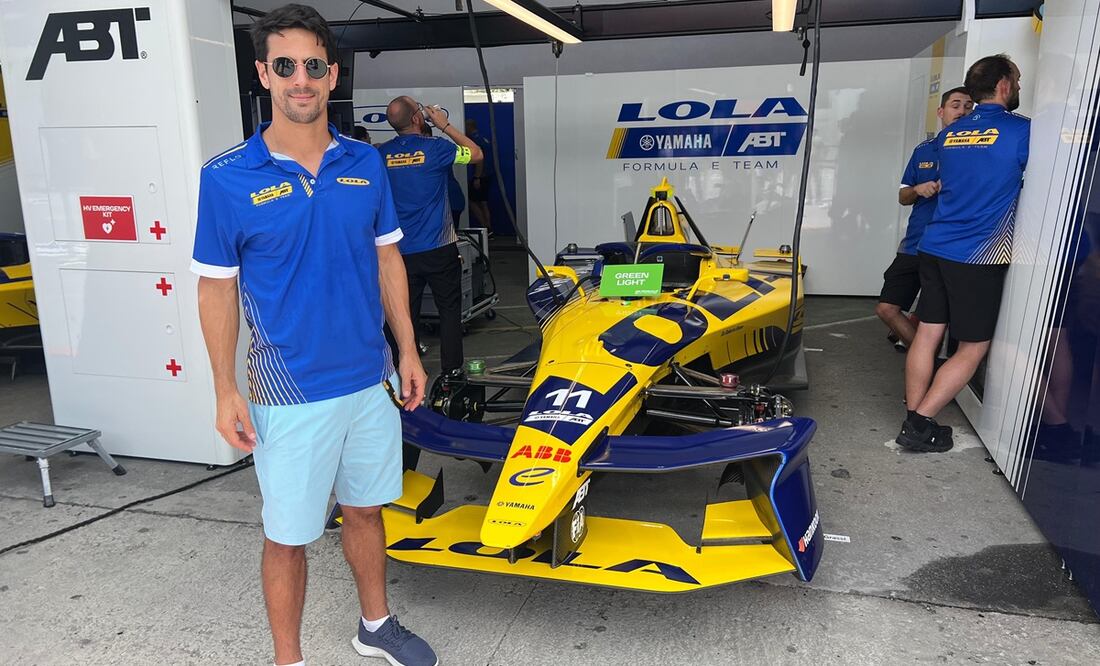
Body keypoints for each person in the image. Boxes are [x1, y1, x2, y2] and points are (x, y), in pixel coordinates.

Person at [190, 5, 435, 666]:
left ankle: (375, 625)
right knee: (289, 535)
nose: (301, 79)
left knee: (365, 510)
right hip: (288, 393)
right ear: (263, 74)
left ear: (332, 76)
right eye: (286, 66)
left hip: (370, 379)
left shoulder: (366, 164)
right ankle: (288, 661)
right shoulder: (226, 178)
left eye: (314, 66)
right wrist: (222, 390)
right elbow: (215, 288)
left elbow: (388, 258)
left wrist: (408, 350)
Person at [898, 54, 1030, 453]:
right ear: (1005, 86)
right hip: (979, 254)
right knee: (973, 345)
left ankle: (912, 413)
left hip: (935, 246)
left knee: (928, 332)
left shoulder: (949, 135)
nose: (1019, 86)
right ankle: (920, 423)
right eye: (1018, 80)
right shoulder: (1023, 131)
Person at [380, 97, 483, 374]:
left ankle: (400, 375)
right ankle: (452, 377)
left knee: (402, 316)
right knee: (449, 312)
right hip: (439, 249)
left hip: (399, 254)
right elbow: (475, 153)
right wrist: (444, 124)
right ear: (417, 118)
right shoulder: (437, 149)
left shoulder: (380, 155)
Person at [876, 87, 974, 350]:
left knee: (940, 316)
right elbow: (903, 196)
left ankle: (931, 369)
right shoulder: (924, 151)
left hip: (953, 248)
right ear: (941, 112)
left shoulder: (979, 153)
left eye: (968, 106)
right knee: (887, 308)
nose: (962, 111)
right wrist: (919, 189)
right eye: (955, 105)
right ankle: (924, 360)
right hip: (916, 244)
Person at [465, 118, 494, 234]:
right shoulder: (484, 138)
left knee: (472, 201)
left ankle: (485, 228)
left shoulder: (475, 140)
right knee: (483, 202)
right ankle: (489, 229)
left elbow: (479, 160)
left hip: (480, 176)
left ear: (469, 127)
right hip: (487, 174)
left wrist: (477, 177)